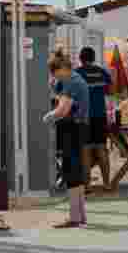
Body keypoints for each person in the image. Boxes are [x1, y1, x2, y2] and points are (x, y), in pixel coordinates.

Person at [44, 52, 91, 228]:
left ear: (63, 68)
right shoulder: (75, 78)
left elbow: (62, 110)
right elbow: (59, 92)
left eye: (55, 73)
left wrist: (48, 117)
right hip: (80, 128)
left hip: (72, 129)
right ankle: (80, 215)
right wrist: (54, 86)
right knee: (76, 172)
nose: (55, 77)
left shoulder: (71, 82)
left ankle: (74, 217)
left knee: (71, 172)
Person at [75, 47, 113, 193]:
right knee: (101, 149)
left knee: (85, 151)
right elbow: (110, 90)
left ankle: (87, 186)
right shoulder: (101, 72)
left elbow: (60, 88)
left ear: (80, 59)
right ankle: (107, 184)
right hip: (100, 116)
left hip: (84, 117)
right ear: (93, 58)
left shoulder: (77, 74)